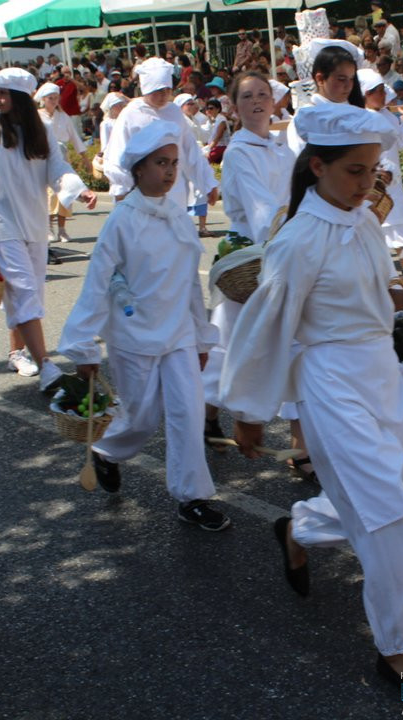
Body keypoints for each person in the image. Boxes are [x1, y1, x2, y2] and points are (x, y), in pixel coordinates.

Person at [220, 101, 403, 689]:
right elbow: (266, 327)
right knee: (388, 511)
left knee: (374, 493)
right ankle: (400, 650)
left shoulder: (364, 221)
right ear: (316, 167)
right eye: (355, 171)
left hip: (380, 377)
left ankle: (298, 529)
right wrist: (246, 413)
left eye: (373, 170)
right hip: (332, 384)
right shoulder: (296, 241)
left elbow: (371, 297)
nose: (368, 183)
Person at [57, 121, 229, 530]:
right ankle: (107, 453)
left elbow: (189, 281)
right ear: (138, 169)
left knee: (188, 412)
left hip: (179, 336)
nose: (169, 171)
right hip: (134, 337)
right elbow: (98, 282)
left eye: (173, 163)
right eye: (160, 163)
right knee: (141, 418)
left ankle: (193, 498)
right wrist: (82, 345)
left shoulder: (178, 215)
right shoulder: (122, 221)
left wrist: (202, 336)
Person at [0, 68, 97, 391]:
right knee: (22, 289)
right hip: (0, 225)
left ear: (20, 98)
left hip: (35, 224)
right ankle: (46, 365)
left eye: (4, 94)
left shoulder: (41, 130)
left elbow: (57, 168)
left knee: (29, 293)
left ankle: (18, 351)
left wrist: (80, 189)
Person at [202, 71, 295, 449]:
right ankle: (205, 415)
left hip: (282, 249)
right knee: (229, 345)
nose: (257, 102)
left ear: (273, 102)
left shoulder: (282, 149)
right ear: (235, 107)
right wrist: (284, 243)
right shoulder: (239, 152)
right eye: (247, 97)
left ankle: (300, 444)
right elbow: (261, 210)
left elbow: (296, 196)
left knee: (286, 343)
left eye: (263, 95)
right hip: (249, 259)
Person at [103, 58, 219, 214]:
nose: (164, 95)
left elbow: (191, 150)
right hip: (140, 194)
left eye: (167, 90)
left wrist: (208, 182)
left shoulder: (174, 112)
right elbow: (117, 155)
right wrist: (122, 189)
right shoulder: (131, 114)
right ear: (146, 89)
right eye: (158, 91)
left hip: (173, 193)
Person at [358, 69, 403, 257]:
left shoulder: (388, 116)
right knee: (373, 221)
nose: (384, 96)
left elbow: (400, 143)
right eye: (380, 91)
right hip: (372, 179)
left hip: (393, 177)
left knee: (397, 216)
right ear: (367, 94)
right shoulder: (358, 118)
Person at [36, 82, 88, 245]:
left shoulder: (63, 117)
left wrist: (85, 158)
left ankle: (62, 228)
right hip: (44, 156)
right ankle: (49, 227)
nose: (53, 102)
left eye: (56, 98)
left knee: (66, 191)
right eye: (50, 98)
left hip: (62, 155)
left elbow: (74, 137)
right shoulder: (37, 116)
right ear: (43, 99)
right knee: (50, 193)